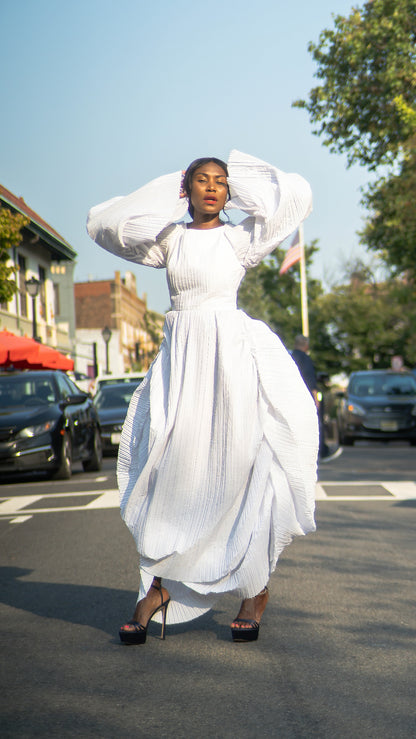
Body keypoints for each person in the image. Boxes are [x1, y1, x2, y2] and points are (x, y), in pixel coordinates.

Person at [87, 149, 319, 644]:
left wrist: (242, 173)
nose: (212, 188)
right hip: (182, 365)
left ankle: (254, 589)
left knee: (240, 471)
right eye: (201, 181)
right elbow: (110, 225)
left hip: (231, 363)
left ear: (230, 191)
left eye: (221, 181)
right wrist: (171, 187)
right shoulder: (169, 239)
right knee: (170, 469)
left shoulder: (241, 239)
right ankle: (159, 585)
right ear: (186, 190)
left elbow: (296, 197)